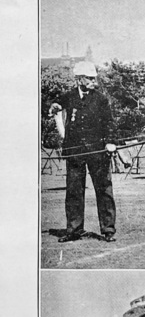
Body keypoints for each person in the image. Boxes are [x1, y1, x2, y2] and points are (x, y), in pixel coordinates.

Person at [48, 61, 117, 242]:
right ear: (79, 79)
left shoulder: (101, 99)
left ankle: (108, 230)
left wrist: (110, 142)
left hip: (98, 152)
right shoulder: (69, 96)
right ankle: (74, 230)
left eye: (94, 78)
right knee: (74, 192)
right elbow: (55, 105)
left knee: (104, 190)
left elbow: (109, 123)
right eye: (90, 78)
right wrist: (54, 106)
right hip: (75, 152)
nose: (94, 81)